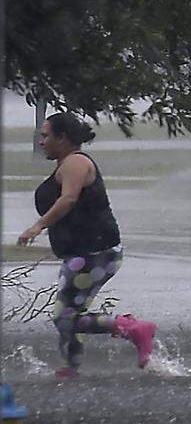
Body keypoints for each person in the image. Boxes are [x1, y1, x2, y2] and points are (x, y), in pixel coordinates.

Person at [17, 113, 156, 377]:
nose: (41, 141)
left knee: (64, 317)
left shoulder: (75, 163)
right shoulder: (67, 163)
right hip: (87, 253)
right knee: (70, 314)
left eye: (46, 135)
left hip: (94, 253)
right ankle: (71, 367)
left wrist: (38, 226)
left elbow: (68, 199)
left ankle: (133, 329)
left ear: (63, 137)